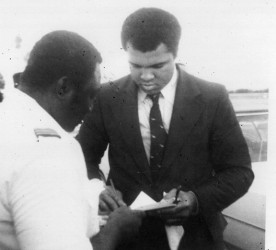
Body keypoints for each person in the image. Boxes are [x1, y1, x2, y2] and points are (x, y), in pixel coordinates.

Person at [77, 8, 254, 250]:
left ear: (176, 54)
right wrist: (96, 189)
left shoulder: (213, 97)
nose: (146, 76)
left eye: (158, 65)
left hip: (196, 237)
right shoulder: (108, 97)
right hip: (129, 239)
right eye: (135, 66)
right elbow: (80, 158)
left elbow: (239, 172)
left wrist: (196, 200)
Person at [0, 30, 143, 250]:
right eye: (91, 95)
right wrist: (117, 229)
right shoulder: (49, 151)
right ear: (63, 88)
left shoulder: (8, 116)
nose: (91, 107)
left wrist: (91, 194)